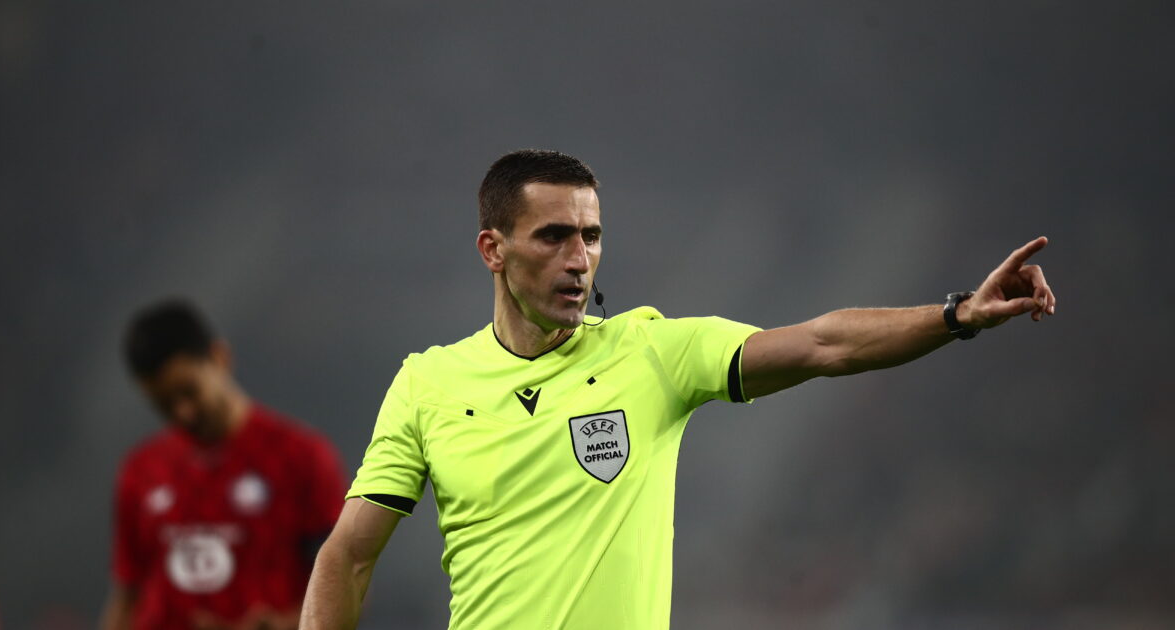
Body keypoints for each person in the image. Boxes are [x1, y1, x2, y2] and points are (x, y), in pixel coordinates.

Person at [300, 150, 1057, 630]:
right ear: (492, 249)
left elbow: (823, 344)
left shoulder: (649, 352)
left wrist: (957, 314)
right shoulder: (429, 382)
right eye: (554, 236)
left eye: (591, 236)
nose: (578, 259)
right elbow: (348, 557)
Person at [102, 299, 347, 630]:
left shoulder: (301, 457)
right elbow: (127, 594)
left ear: (219, 357)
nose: (182, 413)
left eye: (189, 392)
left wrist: (282, 626)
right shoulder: (141, 470)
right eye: (163, 404)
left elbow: (346, 583)